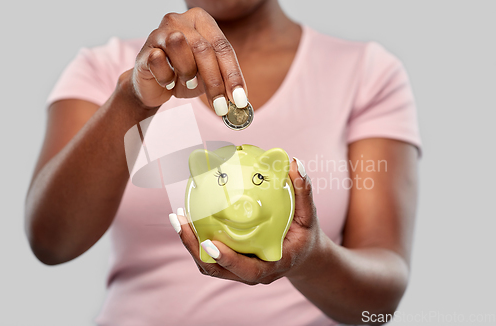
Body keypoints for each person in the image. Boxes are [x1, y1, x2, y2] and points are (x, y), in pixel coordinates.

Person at [25, 0, 421, 325]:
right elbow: (51, 244)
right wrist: (131, 101)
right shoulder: (105, 69)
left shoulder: (368, 73)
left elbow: (379, 307)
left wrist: (311, 257)